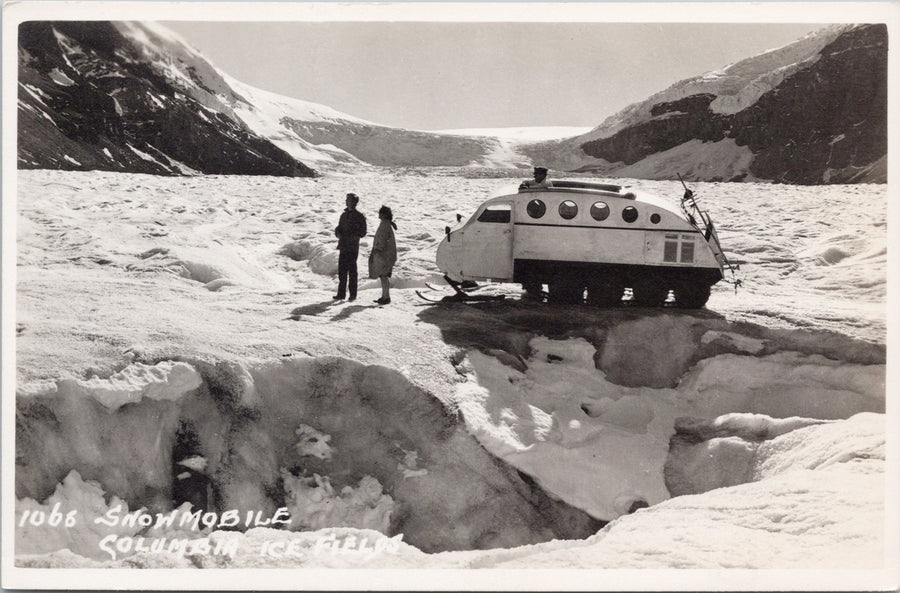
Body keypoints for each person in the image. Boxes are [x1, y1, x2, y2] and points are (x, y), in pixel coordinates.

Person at [333, 193, 367, 301]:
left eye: (349, 200)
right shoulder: (344, 215)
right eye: (347, 200)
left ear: (355, 202)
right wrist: (337, 233)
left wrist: (353, 236)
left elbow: (363, 232)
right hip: (343, 246)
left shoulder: (359, 216)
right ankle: (341, 294)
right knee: (342, 272)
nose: (347, 202)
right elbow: (339, 227)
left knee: (352, 271)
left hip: (352, 247)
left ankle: (353, 295)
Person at [369, 206, 398, 305]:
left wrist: (378, 249)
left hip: (384, 255)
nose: (379, 214)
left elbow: (382, 238)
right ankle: (385, 296)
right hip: (387, 255)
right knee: (384, 276)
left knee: (383, 276)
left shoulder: (385, 225)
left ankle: (386, 296)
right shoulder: (386, 224)